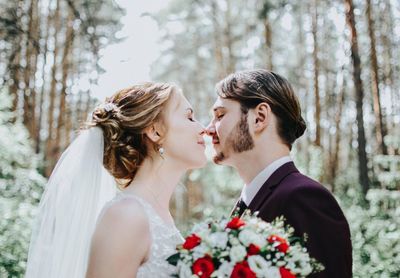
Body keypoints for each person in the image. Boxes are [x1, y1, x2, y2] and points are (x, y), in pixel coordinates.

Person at [25, 82, 207, 278]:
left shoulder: (158, 215)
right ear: (155, 132)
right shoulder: (126, 215)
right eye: (189, 117)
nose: (203, 128)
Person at [205, 69, 352, 278]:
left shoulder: (304, 199)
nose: (209, 128)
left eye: (220, 115)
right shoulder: (247, 203)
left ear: (259, 117)